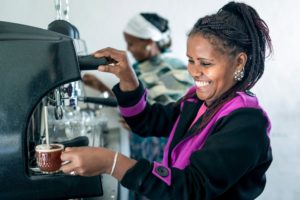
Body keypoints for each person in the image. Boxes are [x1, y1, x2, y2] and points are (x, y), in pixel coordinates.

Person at [61, 2, 273, 199]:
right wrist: (127, 78)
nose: (194, 72)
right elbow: (147, 121)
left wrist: (112, 163)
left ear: (239, 62)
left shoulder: (247, 123)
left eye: (205, 63)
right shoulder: (198, 102)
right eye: (191, 61)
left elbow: (192, 189)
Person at [83, 13, 192, 164]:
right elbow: (133, 105)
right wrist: (100, 86)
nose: (128, 49)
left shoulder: (168, 69)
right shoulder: (148, 67)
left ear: (148, 42)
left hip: (162, 157)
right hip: (151, 151)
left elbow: (165, 115)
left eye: (131, 43)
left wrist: (138, 120)